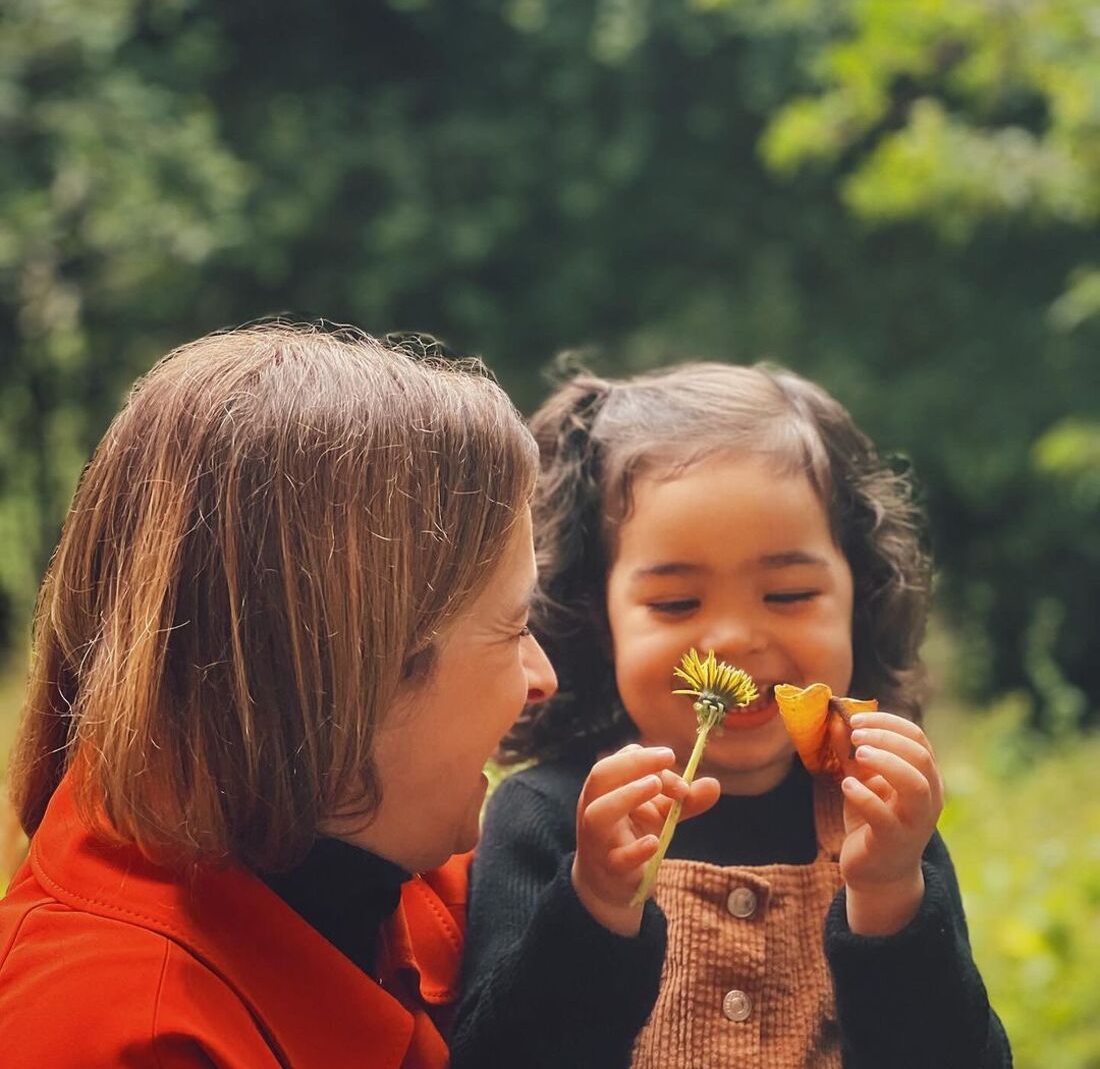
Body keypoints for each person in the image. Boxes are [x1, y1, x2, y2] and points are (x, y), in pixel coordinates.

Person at [0, 321, 705, 1067]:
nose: (543, 679)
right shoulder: (113, 1034)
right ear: (358, 670)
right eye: (513, 627)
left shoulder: (398, 863)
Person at [457, 362, 1014, 1068]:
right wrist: (595, 903)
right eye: (676, 604)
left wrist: (888, 897)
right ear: (599, 619)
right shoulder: (550, 818)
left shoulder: (881, 830)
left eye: (788, 594)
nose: (733, 640)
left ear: (860, 596)